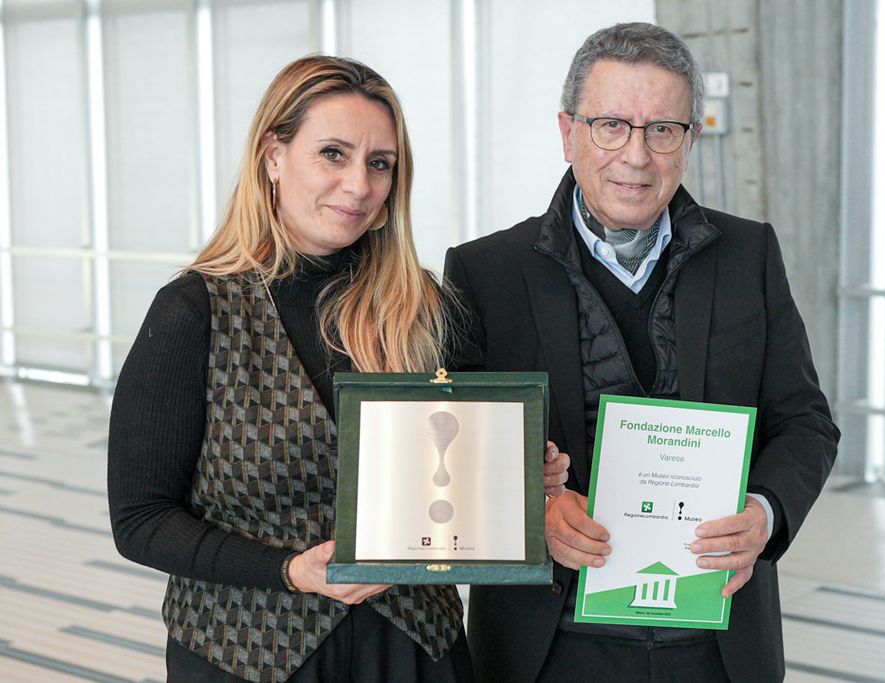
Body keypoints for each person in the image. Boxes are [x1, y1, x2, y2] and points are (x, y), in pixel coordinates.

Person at [107, 56, 568, 683]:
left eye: (380, 163)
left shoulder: (424, 308)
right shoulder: (197, 310)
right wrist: (288, 570)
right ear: (273, 157)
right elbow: (140, 520)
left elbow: (459, 475)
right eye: (333, 154)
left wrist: (518, 474)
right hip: (247, 653)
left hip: (413, 648)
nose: (358, 184)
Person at [444, 22, 840, 683]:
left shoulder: (749, 256)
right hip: (549, 645)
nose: (636, 154)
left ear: (690, 140)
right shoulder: (486, 272)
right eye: (611, 126)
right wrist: (534, 513)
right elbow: (452, 452)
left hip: (716, 639)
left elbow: (805, 421)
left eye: (662, 129)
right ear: (568, 132)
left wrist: (764, 512)